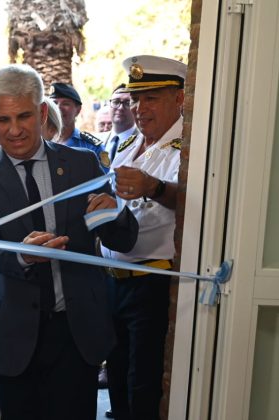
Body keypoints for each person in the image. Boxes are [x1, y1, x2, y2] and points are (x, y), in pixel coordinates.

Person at [0, 64, 138, 420]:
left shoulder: (83, 164)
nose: (14, 130)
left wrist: (115, 213)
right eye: (3, 119)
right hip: (10, 333)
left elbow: (124, 240)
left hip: (76, 333)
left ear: (42, 112)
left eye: (23, 116)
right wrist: (24, 256)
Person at [102, 55, 186, 420]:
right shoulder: (125, 144)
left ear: (178, 98)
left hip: (150, 282)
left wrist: (152, 186)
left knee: (143, 385)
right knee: (117, 381)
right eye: (136, 99)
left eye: (150, 98)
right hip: (112, 278)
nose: (140, 108)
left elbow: (185, 199)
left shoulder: (186, 148)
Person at [49, 82, 109, 172]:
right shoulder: (40, 143)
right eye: (54, 103)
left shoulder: (92, 147)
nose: (58, 107)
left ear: (78, 110)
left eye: (65, 103)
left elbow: (104, 181)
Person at [103, 84, 138, 163]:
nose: (120, 108)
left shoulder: (143, 142)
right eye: (116, 102)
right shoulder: (97, 141)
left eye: (127, 103)